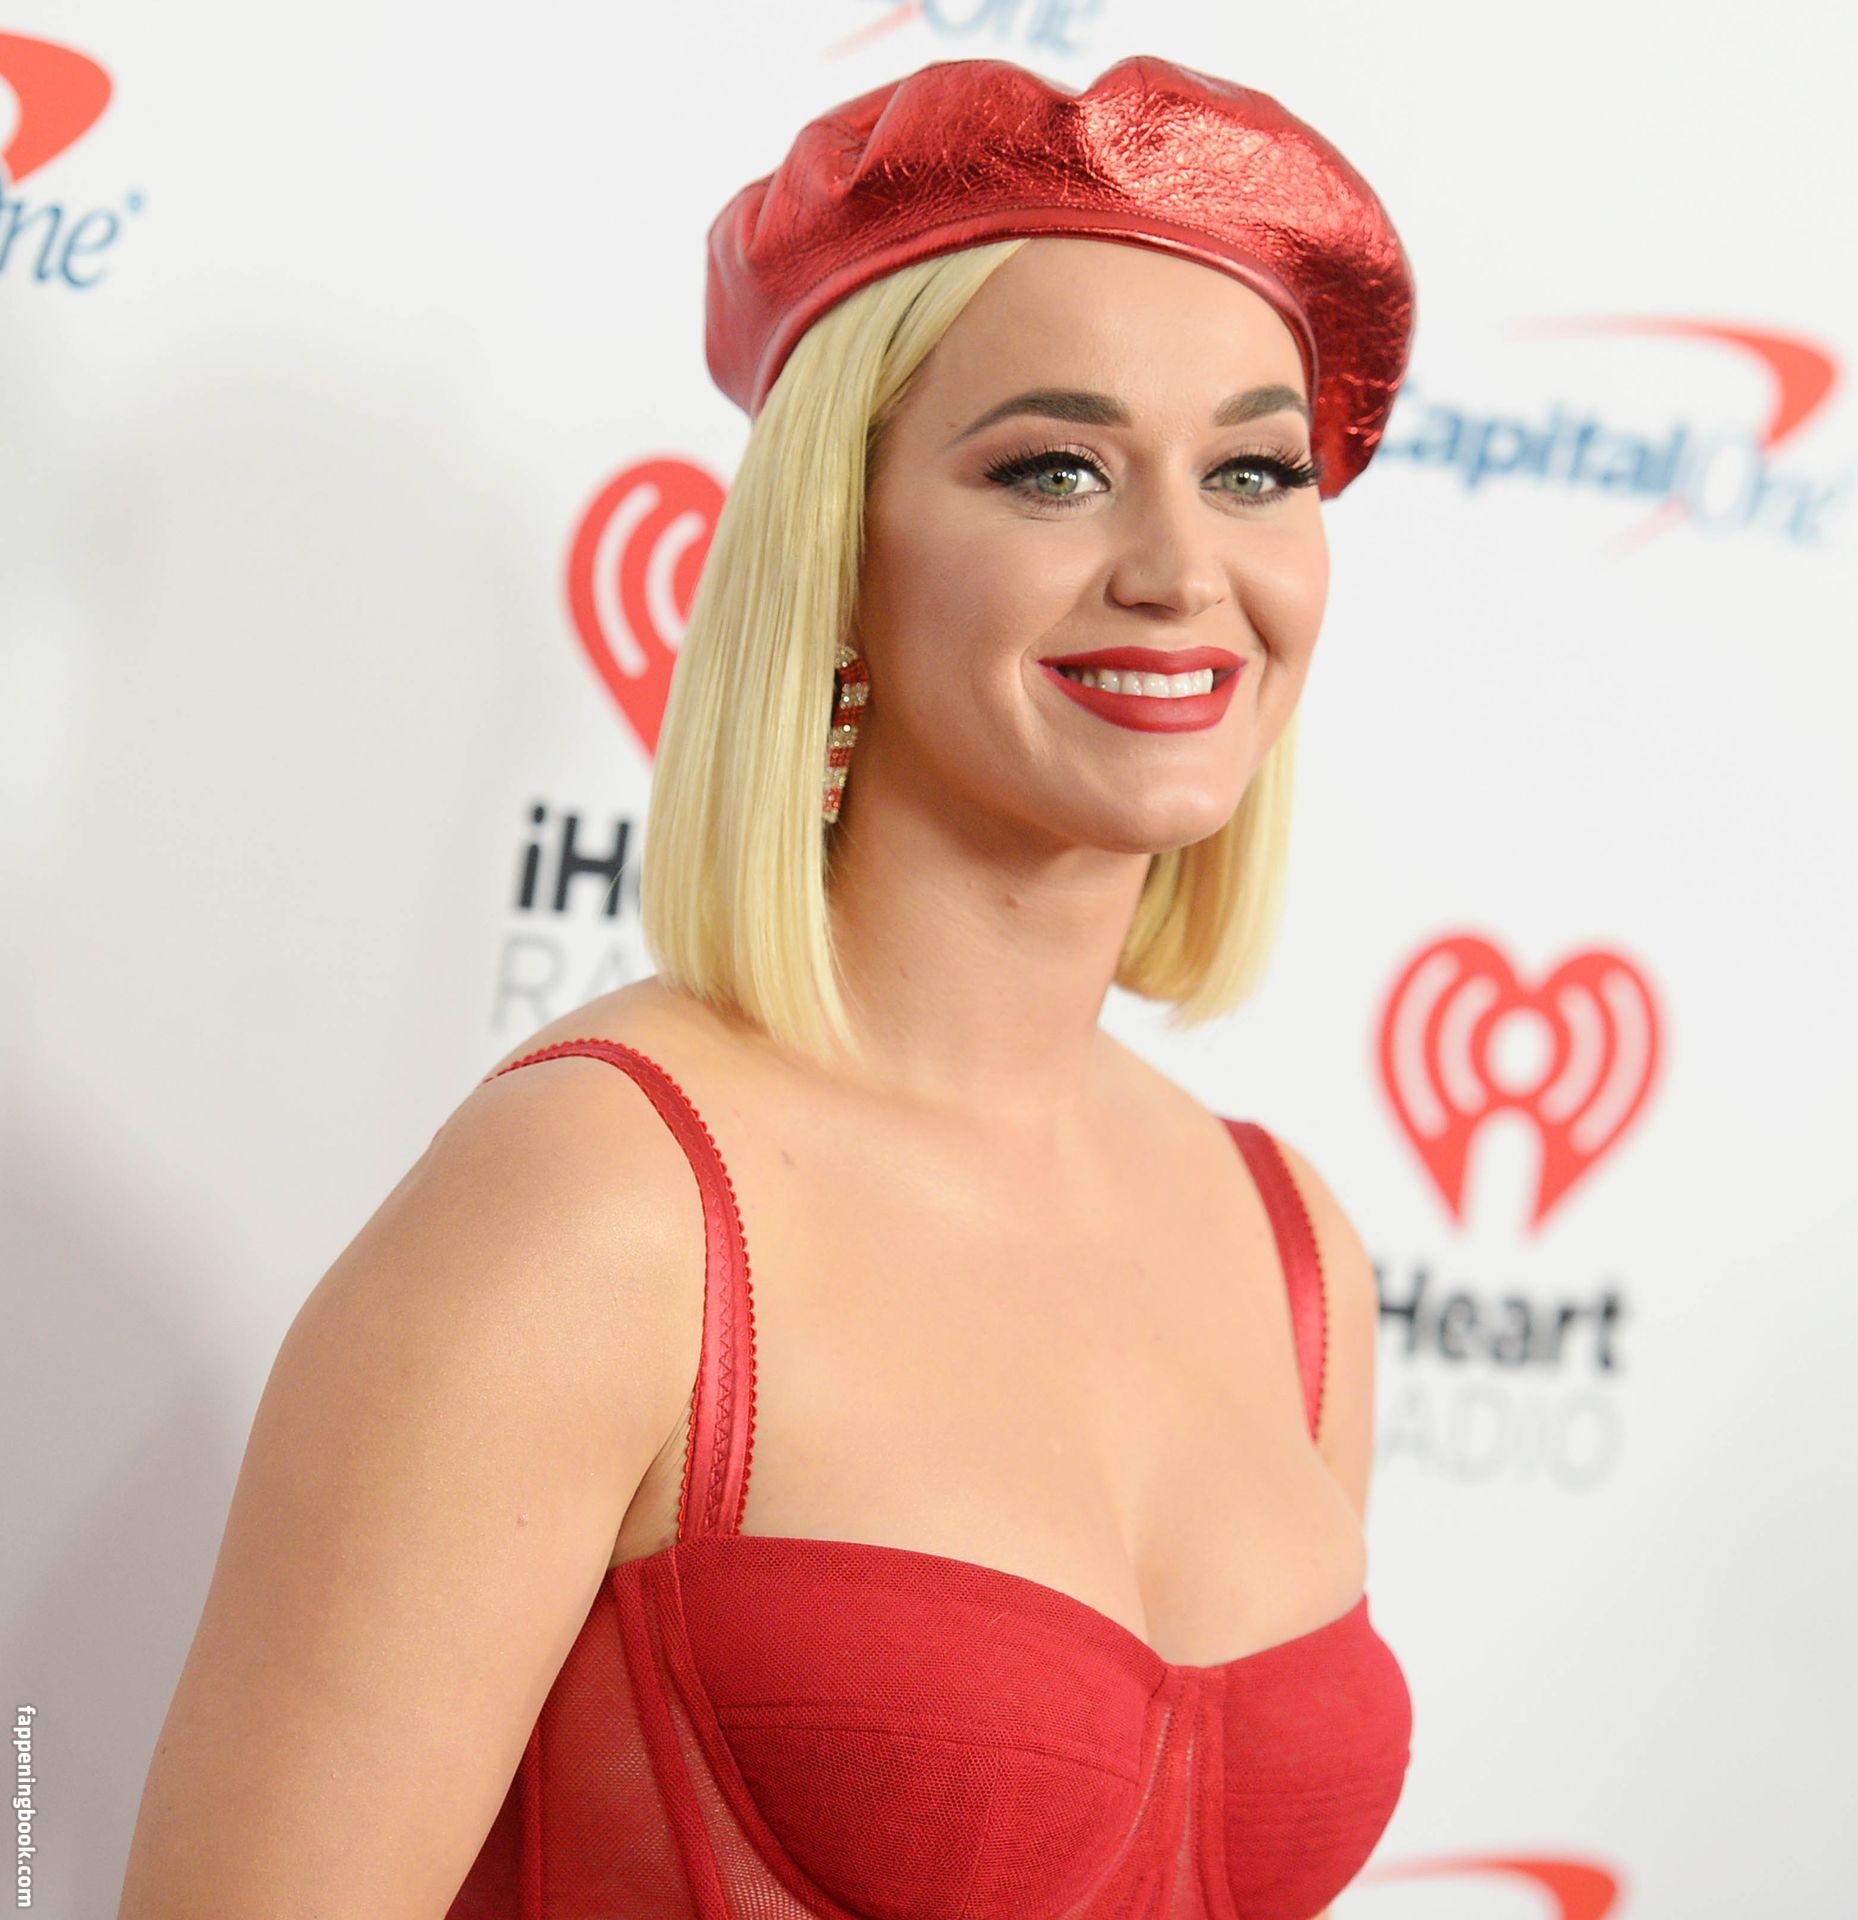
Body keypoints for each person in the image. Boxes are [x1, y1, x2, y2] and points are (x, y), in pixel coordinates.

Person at [117, 52, 1418, 1920]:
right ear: (837, 551)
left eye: (1251, 472)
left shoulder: (1292, 1249)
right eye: (1052, 469)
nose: (1178, 567)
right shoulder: (603, 1204)